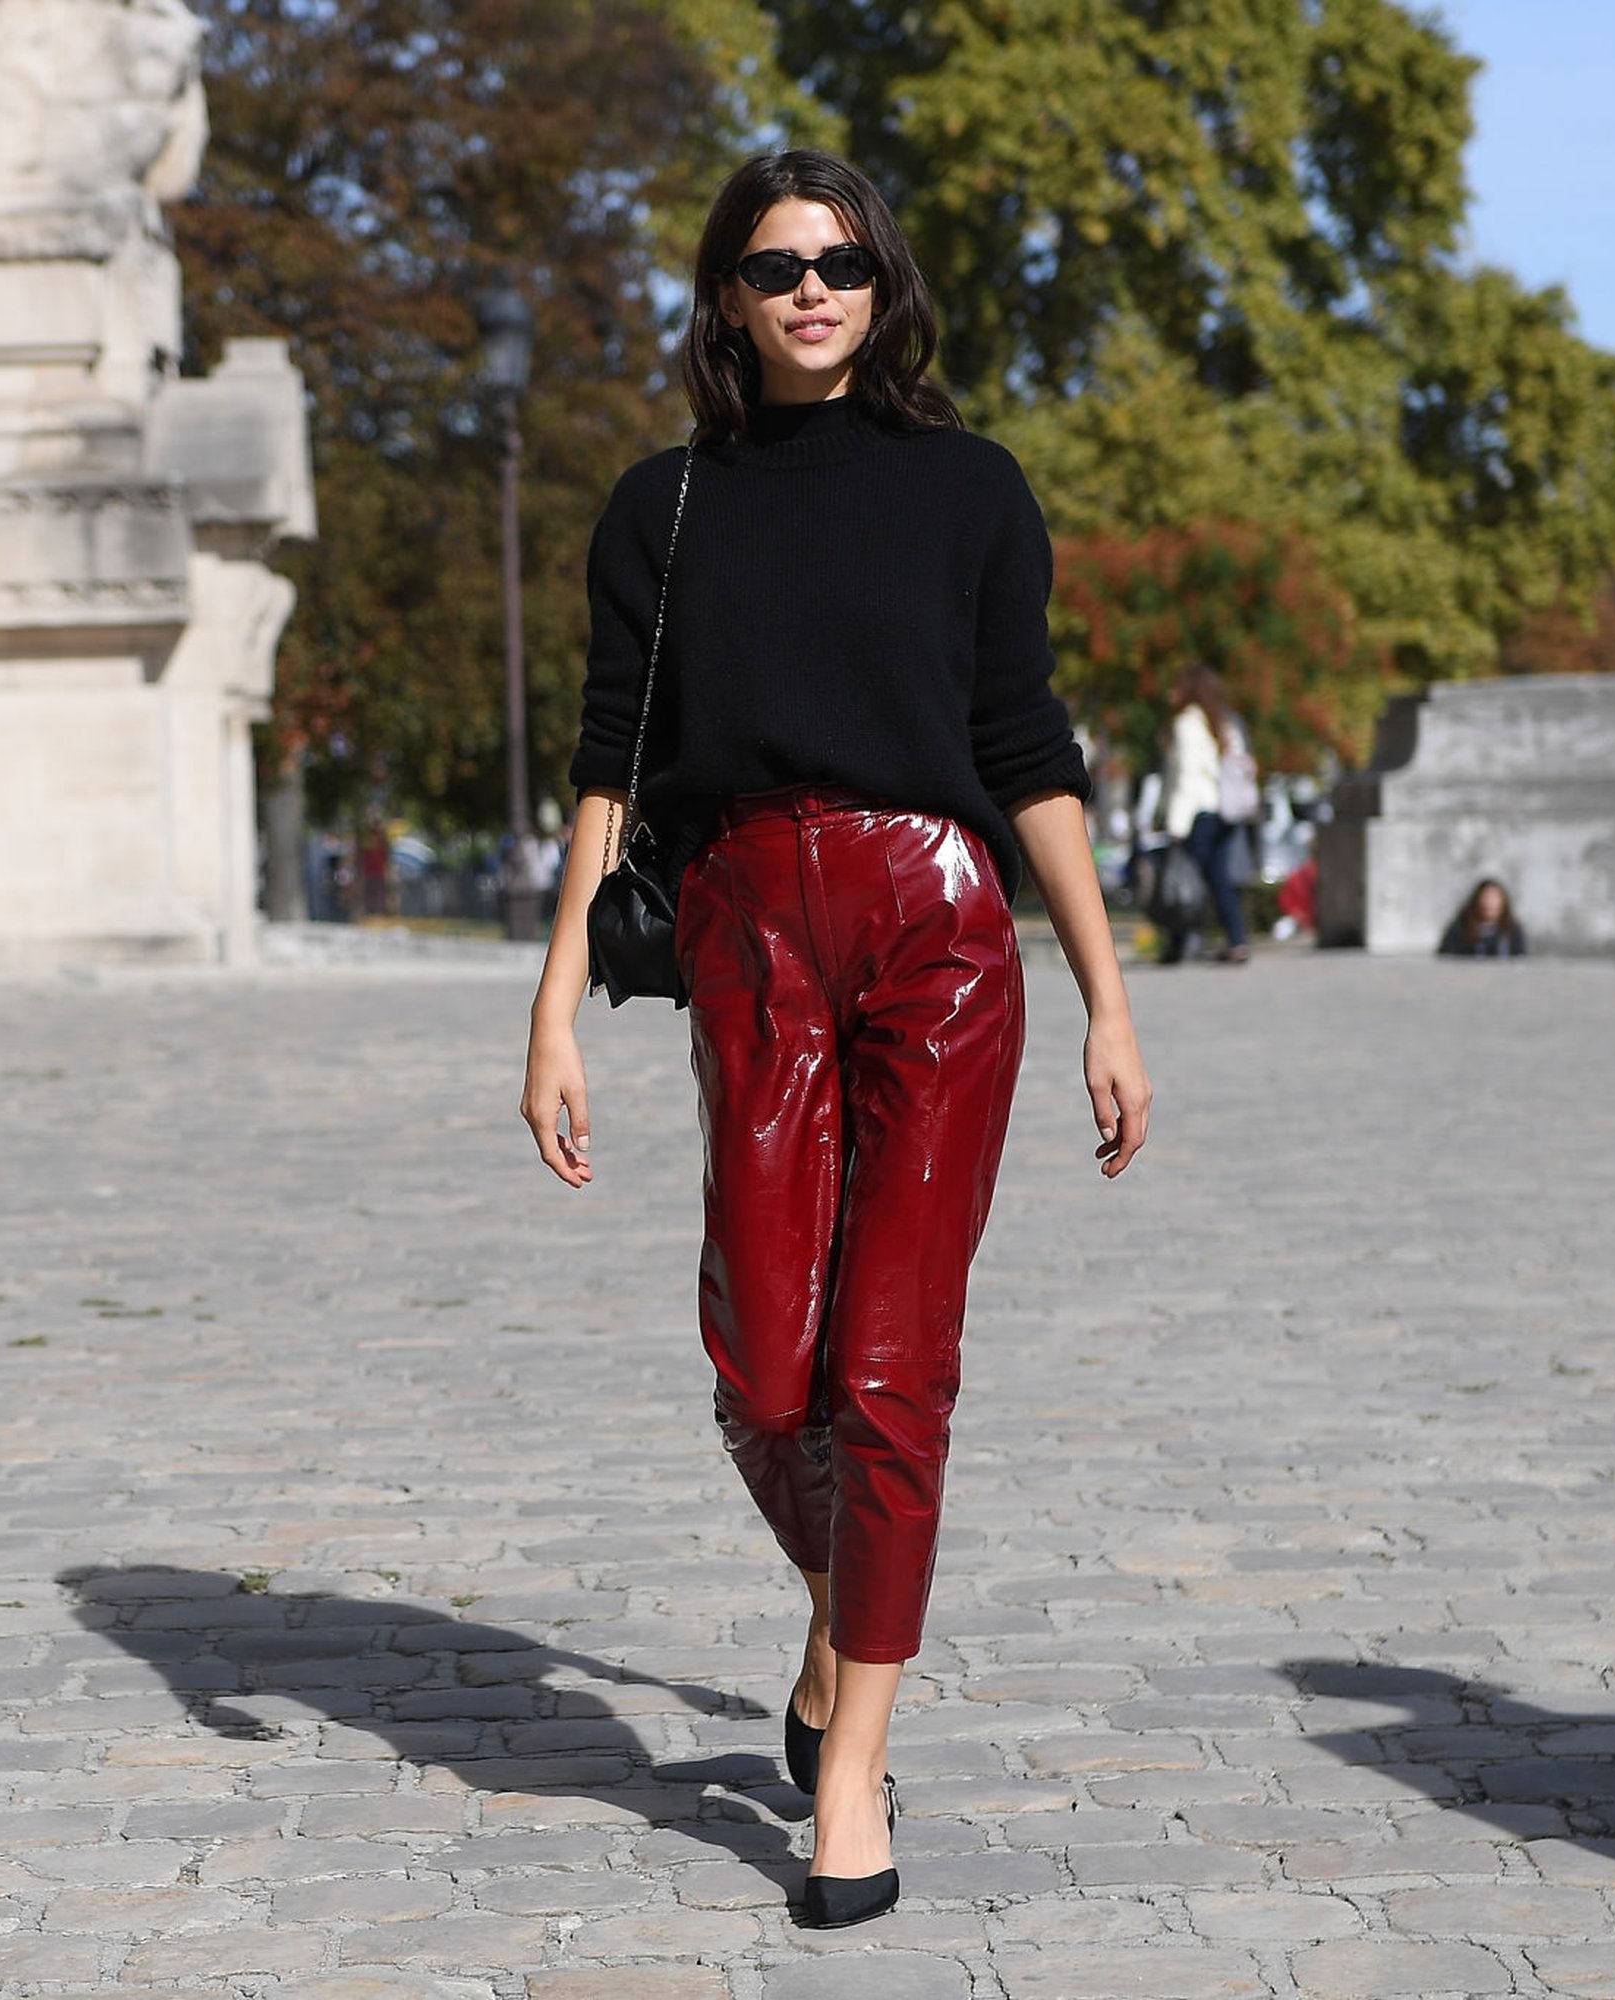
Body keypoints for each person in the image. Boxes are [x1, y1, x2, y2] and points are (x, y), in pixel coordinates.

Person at [517, 149, 1152, 1934]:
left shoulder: (970, 492)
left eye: (846, 263)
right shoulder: (665, 505)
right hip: (747, 938)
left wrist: (1109, 999)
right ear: (725, 293)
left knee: (884, 1369)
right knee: (763, 1364)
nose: (814, 289)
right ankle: (844, 1616)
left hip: (940, 938)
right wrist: (555, 997)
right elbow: (607, 760)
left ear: (890, 291)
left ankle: (852, 1768)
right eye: (777, 263)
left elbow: (1026, 749)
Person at [1157, 665, 1253, 964]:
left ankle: (1178, 942)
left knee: (1181, 879)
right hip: (1224, 812)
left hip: (1197, 812)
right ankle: (1237, 939)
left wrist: (1176, 822)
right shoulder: (1224, 721)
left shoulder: (1187, 724)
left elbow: (1187, 775)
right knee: (1217, 878)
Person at [1437, 877, 1528, 957]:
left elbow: (1520, 962)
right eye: (1486, 897)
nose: (1489, 903)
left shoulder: (1512, 931)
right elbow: (1446, 959)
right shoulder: (1460, 929)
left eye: (1494, 898)